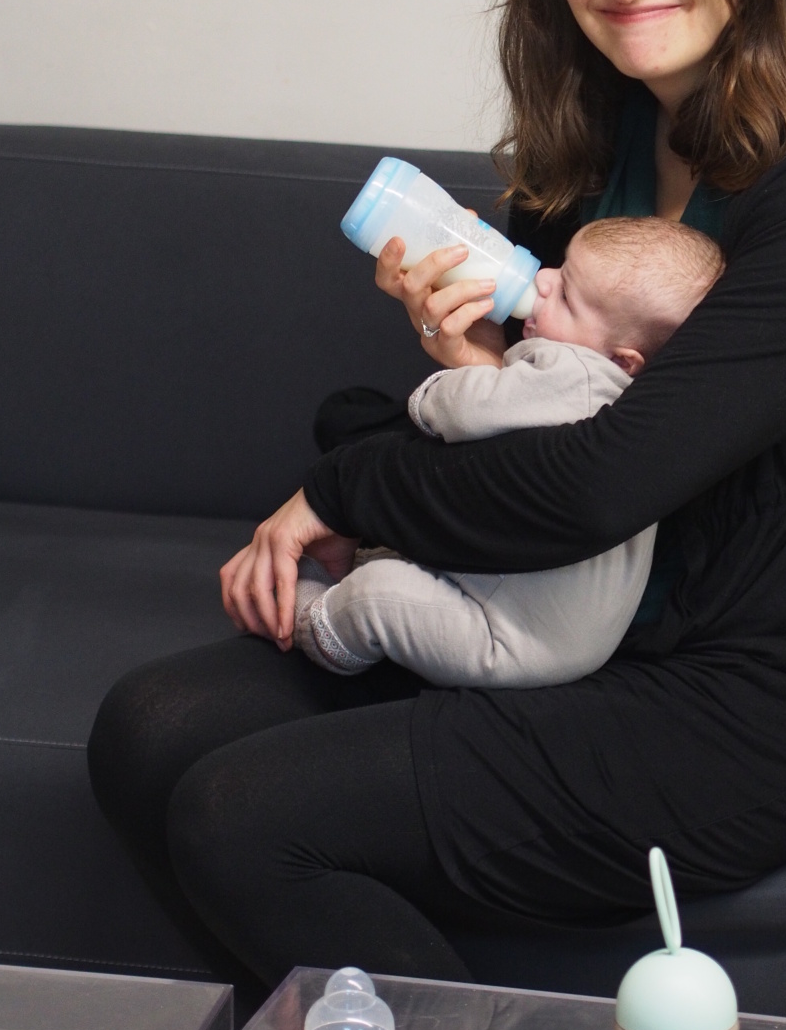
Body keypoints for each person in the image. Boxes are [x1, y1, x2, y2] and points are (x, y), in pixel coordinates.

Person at [87, 0, 786, 996]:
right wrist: (475, 359)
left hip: (746, 701)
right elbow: (557, 407)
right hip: (565, 616)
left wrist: (343, 492)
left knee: (243, 815)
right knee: (147, 730)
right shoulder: (618, 126)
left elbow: (599, 482)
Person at [293, 216, 725, 688]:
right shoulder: (638, 414)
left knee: (377, 596)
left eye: (566, 296)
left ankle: (317, 626)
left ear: (622, 358)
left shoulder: (579, 373)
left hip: (508, 635)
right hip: (548, 628)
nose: (544, 280)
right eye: (560, 268)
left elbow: (465, 411)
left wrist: (429, 398)